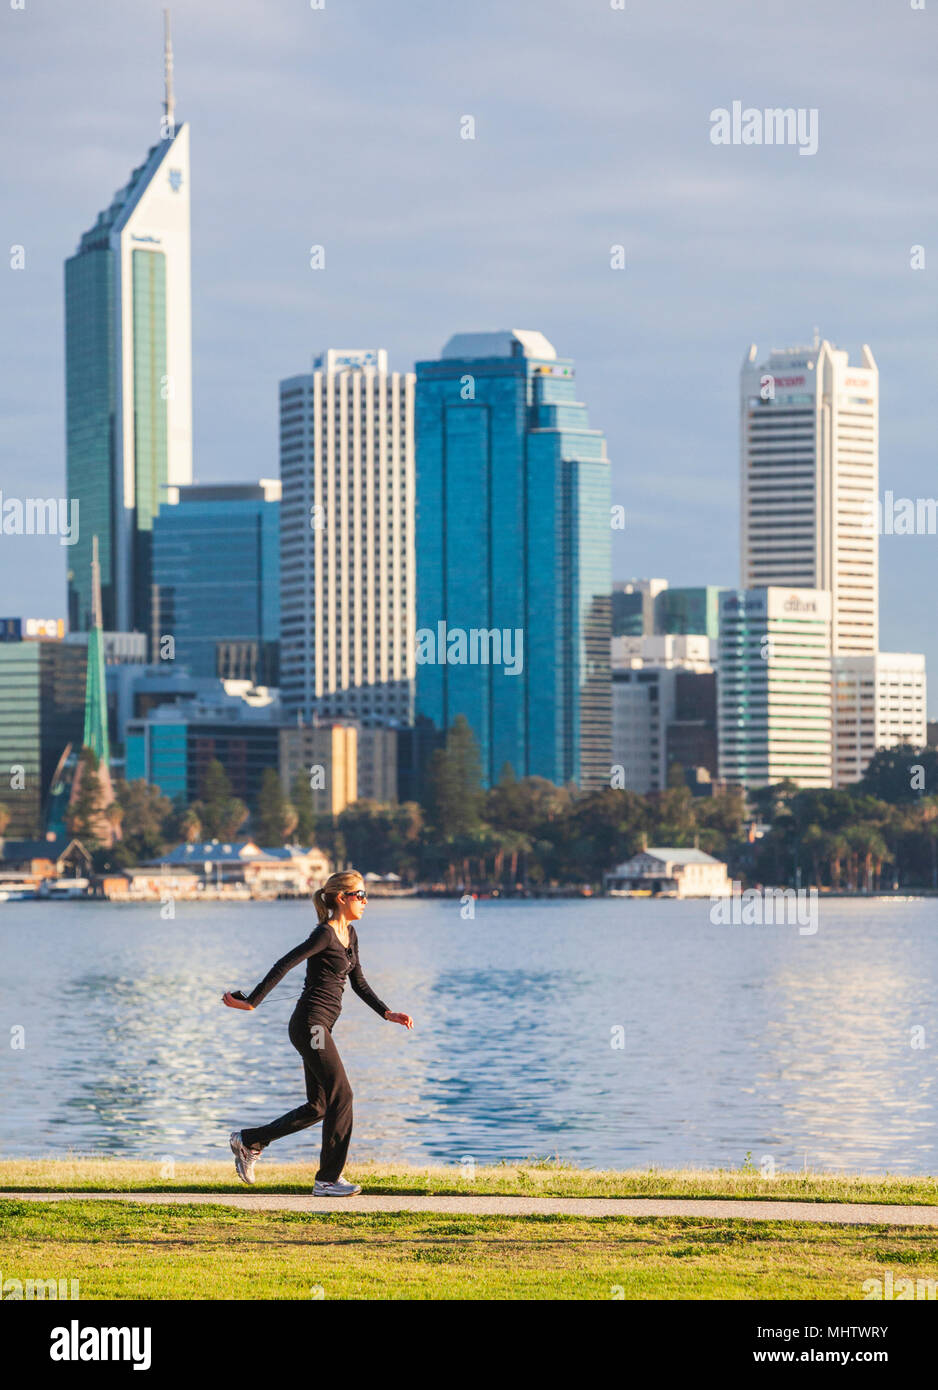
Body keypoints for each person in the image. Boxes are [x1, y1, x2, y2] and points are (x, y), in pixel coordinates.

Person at [222, 869, 413, 1196]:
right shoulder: (324, 934)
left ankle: (250, 1140)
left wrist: (386, 1012)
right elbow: (285, 962)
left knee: (320, 1105)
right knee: (344, 1095)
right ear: (342, 898)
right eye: (360, 895)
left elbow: (359, 983)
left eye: (366, 895)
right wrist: (252, 1001)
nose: (366, 901)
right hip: (311, 1025)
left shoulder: (349, 935)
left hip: (318, 1026)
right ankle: (327, 1179)